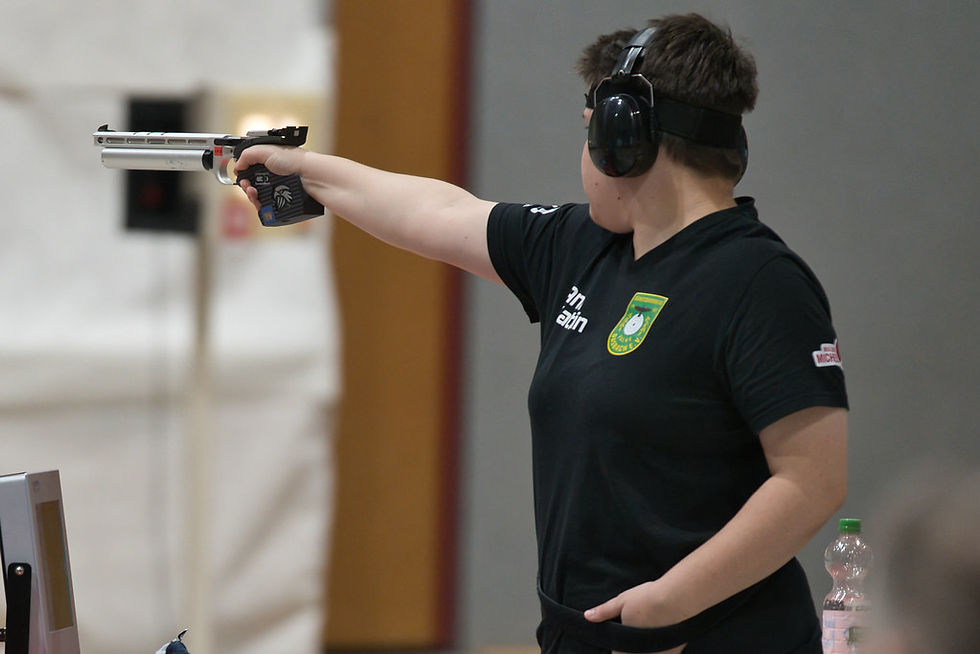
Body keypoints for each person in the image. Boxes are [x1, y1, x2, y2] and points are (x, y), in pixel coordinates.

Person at [237, 13, 849, 654]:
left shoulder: (761, 282)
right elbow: (439, 212)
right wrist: (304, 172)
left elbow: (811, 481)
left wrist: (670, 602)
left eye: (590, 131)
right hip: (589, 635)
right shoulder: (582, 245)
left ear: (625, 135)